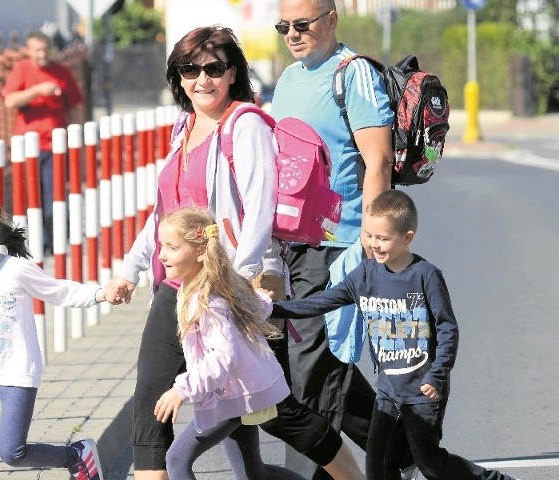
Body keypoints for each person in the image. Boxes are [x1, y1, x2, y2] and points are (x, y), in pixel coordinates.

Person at [104, 25, 363, 480]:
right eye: (190, 69)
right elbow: (165, 213)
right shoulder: (182, 129)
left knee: (272, 409)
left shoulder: (243, 125)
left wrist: (236, 284)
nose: (201, 79)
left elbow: (259, 209)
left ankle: (351, 473)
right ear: (177, 76)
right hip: (176, 286)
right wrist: (129, 269)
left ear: (232, 74)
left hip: (227, 287)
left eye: (213, 69)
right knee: (150, 397)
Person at [268, 190, 517, 480]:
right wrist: (274, 309)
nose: (374, 244)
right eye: (369, 236)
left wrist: (438, 374)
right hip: (388, 389)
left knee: (430, 462)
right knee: (378, 466)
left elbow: (447, 327)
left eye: (383, 238)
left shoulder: (425, 276)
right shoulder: (365, 274)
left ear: (407, 237)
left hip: (423, 388)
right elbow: (323, 302)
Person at [269, 0, 404, 477]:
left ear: (331, 19)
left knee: (312, 372)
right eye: (284, 25)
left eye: (301, 24)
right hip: (293, 246)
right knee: (317, 363)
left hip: (339, 243)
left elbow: (379, 161)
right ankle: (399, 450)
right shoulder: (287, 79)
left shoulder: (353, 74)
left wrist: (371, 235)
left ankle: (332, 470)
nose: (292, 34)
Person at [0, 200, 105, 480]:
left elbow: (58, 292)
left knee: (12, 453)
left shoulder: (16, 271)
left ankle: (76, 455)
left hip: (17, 374)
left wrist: (99, 294)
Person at [152, 207, 305, 480]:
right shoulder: (205, 284)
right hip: (233, 391)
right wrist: (262, 300)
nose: (162, 255)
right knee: (253, 474)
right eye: (161, 245)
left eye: (172, 247)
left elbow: (224, 355)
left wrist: (181, 390)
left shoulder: (207, 298)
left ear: (200, 251)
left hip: (232, 393)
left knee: (176, 459)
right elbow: (251, 304)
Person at [2, 30, 84, 254]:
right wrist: (37, 90)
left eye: (45, 49)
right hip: (28, 146)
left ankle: (53, 241)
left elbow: (76, 106)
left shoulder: (61, 71)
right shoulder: (22, 69)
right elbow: (10, 100)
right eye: (37, 50)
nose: (42, 54)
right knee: (31, 197)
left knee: (53, 197)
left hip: (55, 146)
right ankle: (36, 241)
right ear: (29, 51)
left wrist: (78, 137)